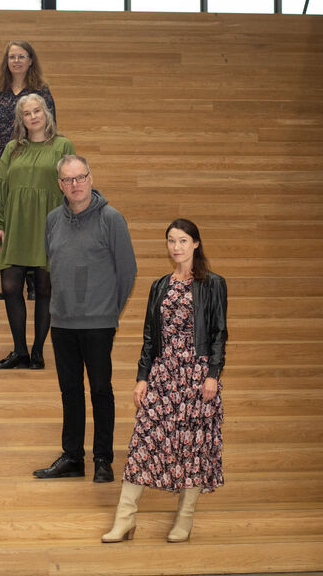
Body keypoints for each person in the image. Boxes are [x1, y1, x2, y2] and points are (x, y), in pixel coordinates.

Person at [102, 218, 227, 543]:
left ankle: (184, 520)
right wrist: (142, 378)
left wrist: (213, 374)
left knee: (193, 448)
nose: (176, 247)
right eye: (171, 241)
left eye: (183, 240)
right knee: (144, 443)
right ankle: (124, 520)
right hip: (163, 374)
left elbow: (218, 334)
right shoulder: (160, 285)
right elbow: (148, 337)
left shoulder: (213, 284)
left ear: (196, 244)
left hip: (197, 375)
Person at [33, 155, 136, 483]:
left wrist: (109, 311)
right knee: (69, 390)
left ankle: (103, 459)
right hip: (62, 323)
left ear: (90, 178)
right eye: (68, 180)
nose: (75, 184)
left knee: (101, 391)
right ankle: (72, 457)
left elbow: (127, 272)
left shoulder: (111, 219)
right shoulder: (52, 220)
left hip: (98, 323)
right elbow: (54, 266)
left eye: (80, 177)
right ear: (60, 185)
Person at [0, 94, 74, 370]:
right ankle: (20, 351)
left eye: (37, 111)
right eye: (27, 113)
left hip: (50, 224)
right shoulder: (12, 148)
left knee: (45, 287)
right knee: (10, 286)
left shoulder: (63, 145)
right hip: (15, 224)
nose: (33, 116)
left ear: (46, 113)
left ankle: (37, 352)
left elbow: (73, 186)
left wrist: (70, 227)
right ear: (21, 120)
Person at [0, 40, 56, 302]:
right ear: (6, 61)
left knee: (32, 221)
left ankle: (35, 280)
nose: (17, 60)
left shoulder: (42, 92)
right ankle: (11, 278)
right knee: (6, 220)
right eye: (12, 56)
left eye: (22, 56)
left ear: (31, 60)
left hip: (34, 168)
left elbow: (52, 129)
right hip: (3, 168)